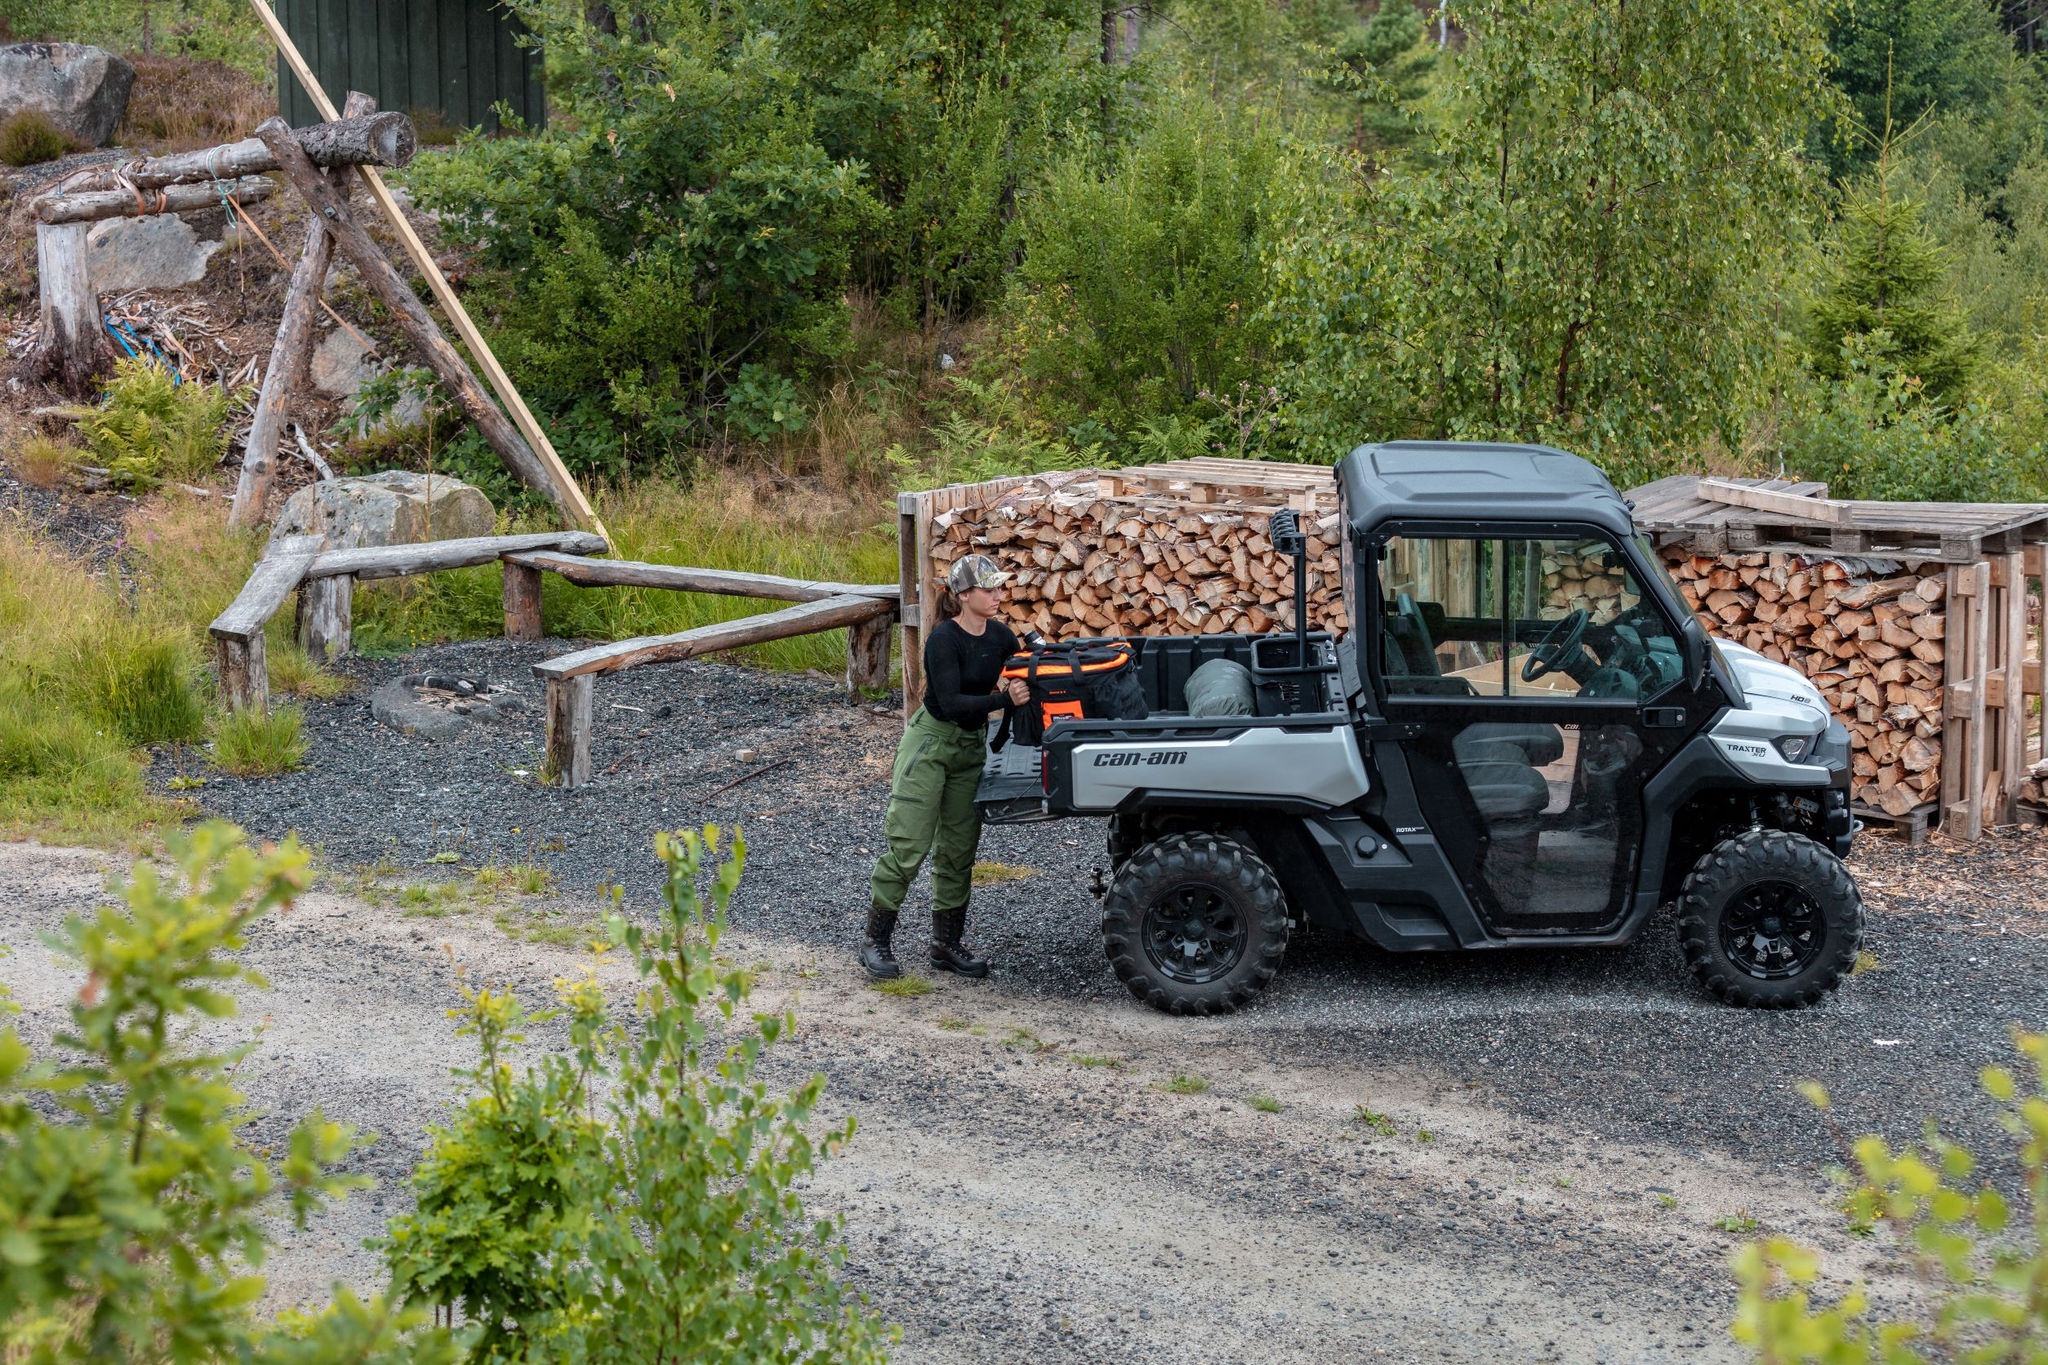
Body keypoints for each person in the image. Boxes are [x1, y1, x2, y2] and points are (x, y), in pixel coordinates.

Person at [863, 554, 1031, 980]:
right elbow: (953, 702)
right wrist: (1003, 701)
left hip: (971, 748)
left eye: (998, 588)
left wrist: (1038, 668)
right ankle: (875, 942)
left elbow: (1024, 667)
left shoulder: (1000, 635)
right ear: (964, 596)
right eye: (989, 589)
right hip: (931, 744)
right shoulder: (943, 640)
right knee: (909, 844)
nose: (998, 595)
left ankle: (945, 946)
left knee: (958, 851)